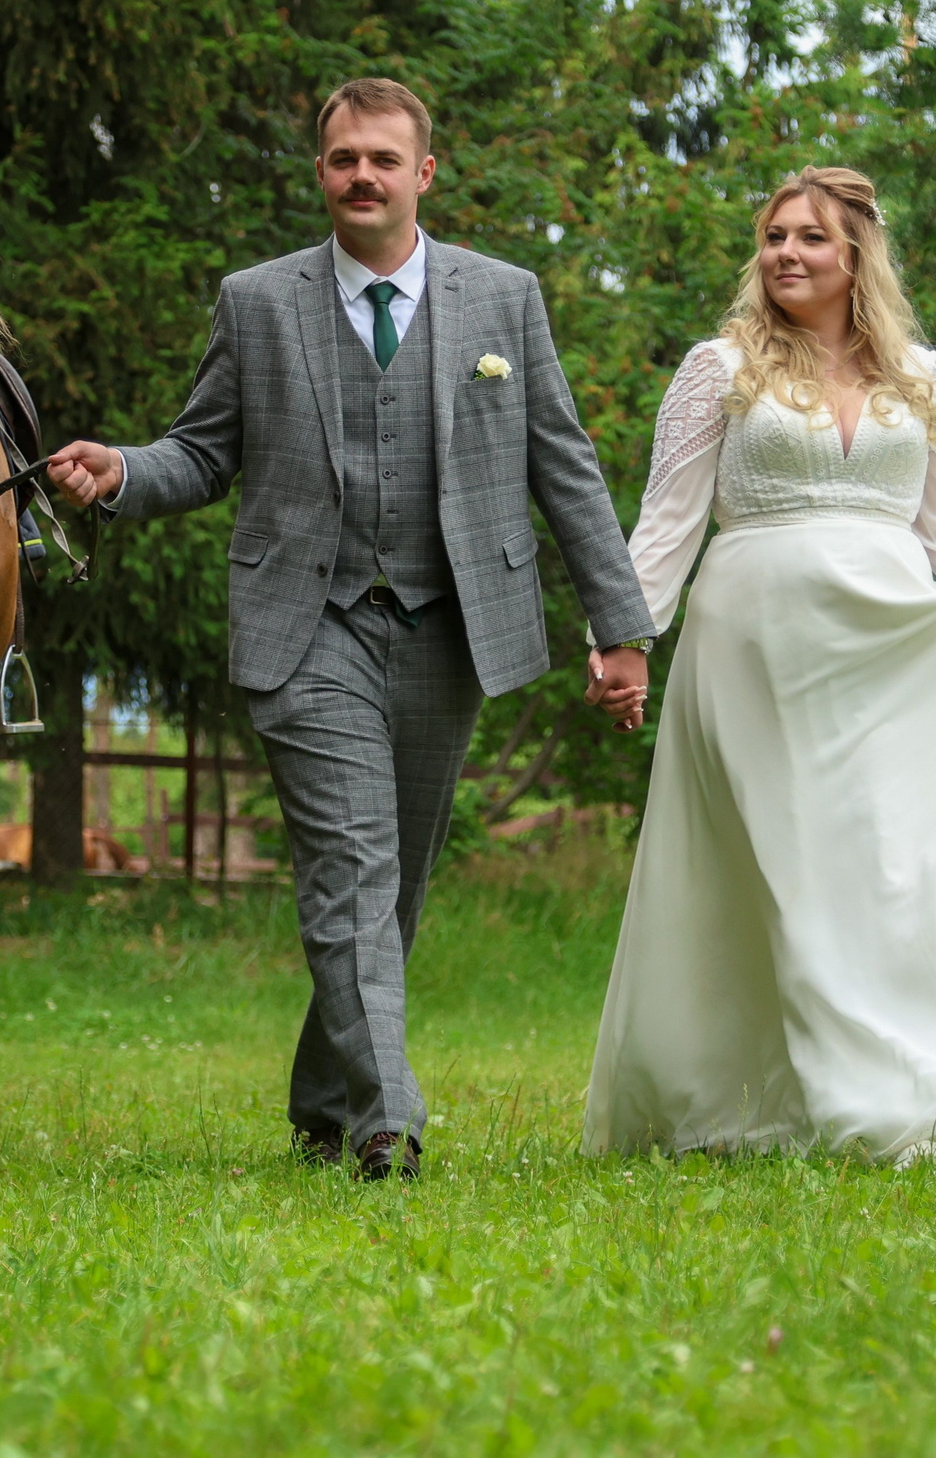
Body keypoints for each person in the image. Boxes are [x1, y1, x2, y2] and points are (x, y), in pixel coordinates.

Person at [47, 79, 656, 1181]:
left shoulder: (502, 299)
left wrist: (617, 628)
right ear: (319, 174)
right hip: (308, 625)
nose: (360, 176)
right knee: (351, 867)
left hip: (447, 626)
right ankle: (386, 1121)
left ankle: (322, 1099)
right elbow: (201, 449)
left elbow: (560, 466)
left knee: (398, 884)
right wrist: (123, 470)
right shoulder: (258, 301)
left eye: (382, 159)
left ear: (424, 174)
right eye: (341, 160)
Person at [581, 166, 936, 1163]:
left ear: (854, 253)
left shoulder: (921, 376)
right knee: (786, 868)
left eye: (809, 238)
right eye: (774, 237)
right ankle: (795, 1106)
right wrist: (624, 640)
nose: (785, 254)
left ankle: (888, 1088)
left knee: (883, 867)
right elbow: (665, 524)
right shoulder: (718, 368)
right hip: (756, 647)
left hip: (886, 646)